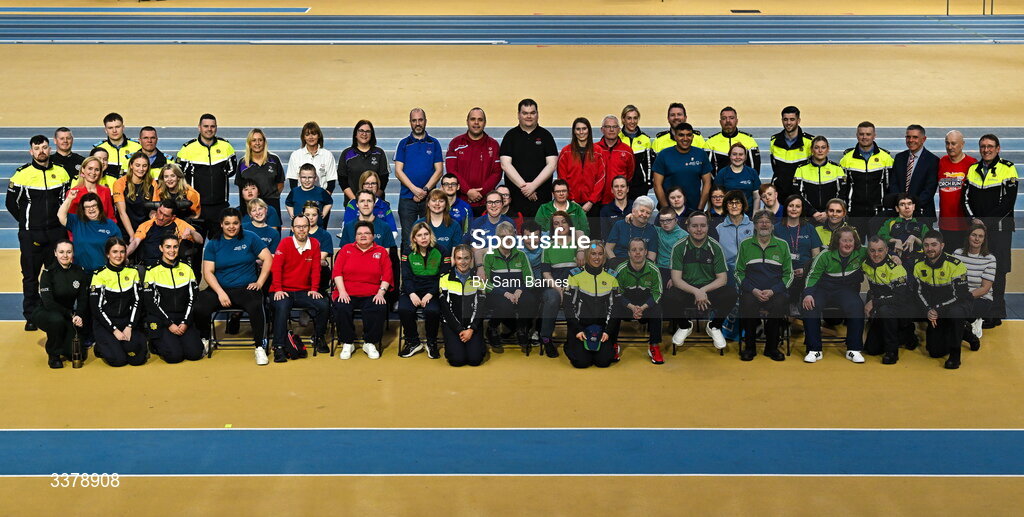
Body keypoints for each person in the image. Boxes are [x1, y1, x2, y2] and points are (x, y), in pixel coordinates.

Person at [193, 208, 273, 365]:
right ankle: (204, 339)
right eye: (227, 223)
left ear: (240, 224)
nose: (231, 227)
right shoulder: (214, 243)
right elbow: (208, 272)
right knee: (200, 306)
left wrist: (259, 283)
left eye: (235, 223)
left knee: (257, 305)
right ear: (221, 224)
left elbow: (268, 258)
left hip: (245, 288)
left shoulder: (250, 237)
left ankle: (259, 346)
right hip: (220, 288)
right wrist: (220, 293)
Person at [9, 135, 71, 330]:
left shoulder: (61, 173)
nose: (41, 151)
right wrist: (28, 224)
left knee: (57, 275)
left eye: (44, 147)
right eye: (37, 148)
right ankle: (32, 315)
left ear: (50, 149)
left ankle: (58, 312)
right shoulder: (21, 175)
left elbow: (65, 202)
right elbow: (11, 203)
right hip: (31, 235)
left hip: (55, 234)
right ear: (31, 151)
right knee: (30, 276)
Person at [962, 134, 1017, 329]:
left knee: (999, 270)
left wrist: (983, 223)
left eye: (990, 146)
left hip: (1000, 230)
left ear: (998, 148)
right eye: (983, 146)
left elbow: (1008, 204)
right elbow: (965, 199)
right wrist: (974, 221)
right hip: (978, 229)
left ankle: (996, 312)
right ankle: (980, 310)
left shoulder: (1008, 168)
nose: (986, 150)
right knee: (978, 267)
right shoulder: (972, 170)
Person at [666, 212, 736, 350]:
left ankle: (714, 326)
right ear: (688, 227)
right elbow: (676, 279)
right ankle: (685, 326)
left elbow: (722, 279)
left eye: (703, 226)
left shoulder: (715, 247)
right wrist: (695, 292)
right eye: (695, 226)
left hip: (709, 290)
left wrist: (703, 291)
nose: (699, 229)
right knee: (668, 297)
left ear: (708, 227)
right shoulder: (679, 247)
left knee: (731, 294)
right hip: (687, 289)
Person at [800, 227, 866, 364]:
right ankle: (814, 350)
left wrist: (893, 257)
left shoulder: (861, 252)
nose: (848, 244)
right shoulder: (824, 255)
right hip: (822, 289)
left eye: (851, 240)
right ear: (837, 242)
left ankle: (853, 349)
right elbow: (812, 276)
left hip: (844, 289)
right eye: (844, 241)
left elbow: (876, 251)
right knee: (810, 306)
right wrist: (808, 294)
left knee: (857, 305)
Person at [734, 210, 793, 361]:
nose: (764, 224)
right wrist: (753, 290)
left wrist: (773, 291)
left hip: (775, 292)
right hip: (752, 291)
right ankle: (750, 347)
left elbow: (789, 274)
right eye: (760, 221)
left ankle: (771, 348)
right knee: (747, 303)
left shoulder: (782, 245)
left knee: (780, 303)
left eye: (768, 221)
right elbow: (738, 273)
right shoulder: (745, 244)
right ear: (755, 225)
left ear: (773, 226)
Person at [270, 214, 329, 361]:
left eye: (304, 226)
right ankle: (278, 346)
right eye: (298, 226)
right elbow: (276, 268)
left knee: (324, 305)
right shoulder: (285, 243)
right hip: (283, 290)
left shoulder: (315, 244)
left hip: (304, 291)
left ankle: (318, 337)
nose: (301, 230)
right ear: (292, 228)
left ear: (309, 228)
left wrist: (314, 289)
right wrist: (278, 289)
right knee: (282, 308)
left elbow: (316, 269)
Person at [332, 220, 394, 360]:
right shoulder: (345, 250)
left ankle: (370, 342)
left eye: (367, 233)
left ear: (373, 236)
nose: (363, 236)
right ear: (355, 236)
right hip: (346, 291)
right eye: (359, 233)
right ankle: (348, 342)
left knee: (378, 305)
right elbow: (337, 273)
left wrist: (380, 292)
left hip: (372, 292)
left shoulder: (381, 252)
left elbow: (387, 275)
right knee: (342, 306)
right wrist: (342, 291)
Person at [914, 231, 971, 369]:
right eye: (926, 245)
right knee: (935, 352)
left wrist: (937, 309)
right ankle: (963, 333)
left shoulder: (956, 265)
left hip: (957, 303)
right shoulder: (919, 265)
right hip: (934, 307)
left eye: (934, 245)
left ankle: (955, 355)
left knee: (955, 315)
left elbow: (960, 295)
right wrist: (929, 310)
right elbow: (918, 292)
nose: (930, 249)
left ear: (942, 245)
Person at [143, 235, 203, 364]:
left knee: (195, 354)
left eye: (175, 247)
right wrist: (169, 324)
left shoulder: (187, 268)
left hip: (183, 318)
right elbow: (150, 302)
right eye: (168, 247)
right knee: (174, 357)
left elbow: (193, 297)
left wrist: (186, 322)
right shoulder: (152, 270)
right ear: (161, 248)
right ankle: (155, 342)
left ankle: (178, 340)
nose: (172, 250)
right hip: (163, 319)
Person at [89, 237, 147, 367]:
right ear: (107, 254)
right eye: (114, 252)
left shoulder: (133, 273)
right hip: (105, 324)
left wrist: (129, 327)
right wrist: (114, 330)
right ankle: (100, 346)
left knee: (137, 360)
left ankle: (119, 344)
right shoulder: (99, 274)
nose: (119, 255)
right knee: (119, 360)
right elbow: (97, 308)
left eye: (122, 252)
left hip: (127, 322)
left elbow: (138, 301)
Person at [33, 240, 90, 368]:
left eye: (68, 252)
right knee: (56, 320)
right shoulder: (48, 273)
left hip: (68, 314)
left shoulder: (79, 272)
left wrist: (79, 315)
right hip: (46, 313)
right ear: (55, 253)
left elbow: (83, 298)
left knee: (76, 354)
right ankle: (53, 355)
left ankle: (62, 342)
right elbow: (49, 303)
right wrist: (71, 314)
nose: (65, 255)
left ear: (73, 253)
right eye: (61, 252)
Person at [177, 113, 236, 234]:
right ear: (199, 127)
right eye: (206, 126)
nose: (209, 129)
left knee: (220, 246)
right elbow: (179, 176)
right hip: (196, 207)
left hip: (220, 206)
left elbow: (231, 170)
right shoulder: (187, 149)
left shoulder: (226, 146)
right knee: (195, 248)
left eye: (212, 126)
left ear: (216, 127)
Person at [536, 211, 585, 358]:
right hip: (554, 286)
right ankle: (546, 338)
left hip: (575, 285)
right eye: (556, 223)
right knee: (552, 299)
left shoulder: (578, 245)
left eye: (563, 222)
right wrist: (559, 289)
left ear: (569, 224)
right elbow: (546, 274)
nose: (560, 225)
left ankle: (576, 337)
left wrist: (582, 250)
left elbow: (583, 272)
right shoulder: (548, 247)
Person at [482, 221, 536, 352]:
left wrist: (519, 290)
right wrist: (504, 293)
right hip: (497, 293)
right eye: (502, 237)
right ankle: (492, 329)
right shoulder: (489, 256)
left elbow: (530, 279)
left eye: (510, 236)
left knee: (530, 300)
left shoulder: (522, 255)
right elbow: (485, 283)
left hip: (517, 291)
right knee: (505, 305)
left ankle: (521, 329)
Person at [398, 222, 449, 359]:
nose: (423, 238)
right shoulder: (407, 252)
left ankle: (431, 343)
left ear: (430, 235)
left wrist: (431, 293)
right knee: (404, 309)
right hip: (412, 289)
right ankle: (413, 342)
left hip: (433, 290)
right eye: (419, 235)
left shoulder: (442, 250)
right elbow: (406, 277)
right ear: (414, 238)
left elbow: (443, 277)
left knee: (432, 310)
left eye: (426, 234)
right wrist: (412, 294)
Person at [499, 98, 558, 217]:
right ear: (518, 115)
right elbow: (505, 164)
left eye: (532, 113)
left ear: (537, 114)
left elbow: (552, 165)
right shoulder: (510, 136)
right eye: (525, 113)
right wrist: (526, 188)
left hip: (541, 197)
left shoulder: (546, 136)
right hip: (515, 197)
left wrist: (533, 186)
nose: (529, 116)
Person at [562, 244, 618, 368]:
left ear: (604, 256)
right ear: (587, 255)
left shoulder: (612, 276)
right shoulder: (574, 275)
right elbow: (568, 306)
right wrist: (577, 330)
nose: (597, 257)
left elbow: (614, 307)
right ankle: (570, 344)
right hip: (580, 327)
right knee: (581, 363)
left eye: (600, 253)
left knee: (603, 362)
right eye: (593, 253)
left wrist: (608, 332)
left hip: (602, 329)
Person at [610, 238, 664, 364]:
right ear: (628, 253)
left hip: (645, 307)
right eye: (634, 250)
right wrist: (632, 307)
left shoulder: (654, 269)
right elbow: (616, 293)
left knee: (657, 309)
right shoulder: (620, 269)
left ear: (646, 252)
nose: (637, 253)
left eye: (641, 249)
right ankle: (613, 344)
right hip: (627, 306)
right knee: (613, 308)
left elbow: (658, 292)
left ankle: (654, 346)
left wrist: (643, 307)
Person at [395, 108, 444, 245]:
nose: (418, 123)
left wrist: (425, 190)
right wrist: (415, 190)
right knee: (408, 238)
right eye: (414, 120)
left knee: (429, 237)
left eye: (420, 120)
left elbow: (439, 170)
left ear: (425, 121)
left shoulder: (434, 143)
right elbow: (398, 171)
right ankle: (406, 266)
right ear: (410, 122)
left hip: (429, 199)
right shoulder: (403, 144)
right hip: (407, 199)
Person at [839, 121, 894, 237]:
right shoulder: (846, 159)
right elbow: (843, 189)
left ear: (874, 135)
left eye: (868, 134)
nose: (864, 137)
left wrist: (887, 210)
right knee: (854, 249)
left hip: (878, 212)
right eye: (861, 134)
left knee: (877, 248)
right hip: (854, 213)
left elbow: (890, 187)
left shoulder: (886, 158)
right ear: (857, 135)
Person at [862, 235, 910, 365]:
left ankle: (892, 352)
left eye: (880, 250)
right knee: (871, 350)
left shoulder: (896, 268)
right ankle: (901, 336)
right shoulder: (865, 263)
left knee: (885, 311)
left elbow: (901, 298)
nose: (876, 254)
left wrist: (874, 302)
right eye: (872, 250)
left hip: (899, 307)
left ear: (887, 250)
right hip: (881, 307)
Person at [445, 107, 501, 216]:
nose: (476, 123)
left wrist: (481, 192)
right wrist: (468, 191)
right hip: (460, 202)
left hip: (486, 204)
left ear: (485, 122)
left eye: (480, 119)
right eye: (473, 119)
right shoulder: (456, 143)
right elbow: (451, 171)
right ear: (467, 121)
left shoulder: (493, 144)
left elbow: (497, 173)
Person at [439, 244, 487, 367]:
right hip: (452, 325)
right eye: (459, 258)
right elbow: (446, 310)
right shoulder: (445, 279)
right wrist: (459, 329)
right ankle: (453, 347)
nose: (463, 262)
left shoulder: (478, 279)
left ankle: (477, 344)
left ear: (471, 260)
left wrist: (471, 329)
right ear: (454, 260)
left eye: (466, 258)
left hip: (472, 326)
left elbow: (480, 308)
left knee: (475, 360)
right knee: (457, 361)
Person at [952, 223, 995, 351]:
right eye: (974, 235)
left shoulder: (990, 259)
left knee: (954, 315)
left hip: (980, 299)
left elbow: (985, 288)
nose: (977, 239)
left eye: (980, 236)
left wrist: (964, 297)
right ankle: (970, 336)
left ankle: (974, 322)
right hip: (959, 296)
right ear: (968, 237)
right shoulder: (957, 254)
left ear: (984, 239)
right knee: (951, 317)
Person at [652, 123, 713, 213]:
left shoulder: (701, 154)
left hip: (694, 209)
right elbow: (657, 185)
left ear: (692, 137)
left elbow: (707, 183)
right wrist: (666, 209)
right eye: (681, 135)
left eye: (688, 135)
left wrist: (700, 209)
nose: (685, 139)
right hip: (670, 210)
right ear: (675, 137)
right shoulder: (664, 155)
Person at [556, 117, 606, 224]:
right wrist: (572, 200)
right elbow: (562, 179)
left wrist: (591, 202)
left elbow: (601, 179)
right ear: (574, 131)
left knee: (593, 238)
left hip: (593, 205)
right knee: (572, 237)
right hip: (571, 204)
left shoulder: (598, 151)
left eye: (584, 128)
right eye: (578, 129)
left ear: (589, 130)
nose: (581, 132)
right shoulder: (566, 152)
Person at [775, 195, 823, 305]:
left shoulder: (809, 228)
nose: (794, 209)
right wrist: (788, 270)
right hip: (783, 271)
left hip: (805, 271)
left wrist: (805, 270)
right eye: (791, 206)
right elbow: (773, 254)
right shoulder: (776, 228)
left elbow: (816, 256)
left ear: (802, 209)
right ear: (786, 208)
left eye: (797, 206)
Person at [127, 200, 204, 266]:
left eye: (166, 216)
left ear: (173, 217)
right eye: (160, 212)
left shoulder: (180, 224)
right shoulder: (147, 225)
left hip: (169, 264)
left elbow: (200, 240)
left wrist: (191, 232)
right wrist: (125, 255)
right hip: (148, 264)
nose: (161, 217)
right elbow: (135, 242)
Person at [58, 191, 120, 272]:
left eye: (94, 205)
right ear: (83, 209)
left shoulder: (110, 224)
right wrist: (69, 198)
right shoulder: (76, 221)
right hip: (80, 272)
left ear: (99, 206)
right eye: (87, 207)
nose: (91, 209)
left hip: (104, 273)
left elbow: (119, 247)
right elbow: (61, 215)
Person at [889, 125, 939, 222]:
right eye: (908, 137)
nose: (911, 140)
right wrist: (901, 205)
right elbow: (893, 183)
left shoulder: (933, 160)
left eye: (915, 137)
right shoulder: (899, 157)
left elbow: (929, 189)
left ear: (923, 139)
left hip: (922, 214)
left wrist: (910, 207)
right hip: (899, 214)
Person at [937, 130, 977, 245]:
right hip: (945, 225)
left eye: (953, 143)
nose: (950, 147)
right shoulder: (941, 162)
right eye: (947, 143)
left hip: (966, 224)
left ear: (962, 144)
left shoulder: (972, 164)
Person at [794, 136, 846, 223]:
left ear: (828, 149)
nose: (820, 151)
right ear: (811, 149)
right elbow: (798, 194)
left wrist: (828, 212)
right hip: (809, 217)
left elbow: (842, 193)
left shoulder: (837, 168)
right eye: (816, 147)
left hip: (832, 217)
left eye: (823, 147)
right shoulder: (801, 169)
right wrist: (813, 212)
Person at [237, 128, 285, 216]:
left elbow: (280, 184)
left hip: (271, 205)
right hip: (250, 207)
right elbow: (241, 188)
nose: (257, 143)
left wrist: (270, 197)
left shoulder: (274, 160)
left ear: (264, 142)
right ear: (249, 143)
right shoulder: (243, 163)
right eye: (254, 140)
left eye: (260, 140)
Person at [338, 120, 390, 201]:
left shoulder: (379, 153)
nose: (364, 134)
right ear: (356, 134)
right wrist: (356, 201)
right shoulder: (347, 153)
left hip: (375, 203)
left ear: (372, 134)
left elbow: (384, 179)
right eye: (361, 131)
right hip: (353, 202)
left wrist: (373, 200)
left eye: (368, 131)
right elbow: (342, 180)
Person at [768, 106, 813, 199]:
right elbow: (775, 168)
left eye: (792, 119)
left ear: (798, 120)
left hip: (801, 193)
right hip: (780, 193)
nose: (788, 123)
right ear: (782, 120)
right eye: (785, 119)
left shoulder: (809, 142)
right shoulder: (774, 141)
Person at [877, 193, 930, 267]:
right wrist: (894, 240)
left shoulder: (921, 225)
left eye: (909, 204)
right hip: (893, 261)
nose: (907, 207)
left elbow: (929, 243)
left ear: (913, 207)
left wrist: (915, 238)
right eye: (902, 204)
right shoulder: (890, 222)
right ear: (897, 208)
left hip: (917, 262)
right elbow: (879, 238)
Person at [596, 114, 636, 211]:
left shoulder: (627, 150)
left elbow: (630, 175)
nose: (611, 130)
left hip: (619, 202)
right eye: (608, 127)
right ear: (602, 129)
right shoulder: (594, 149)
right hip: (597, 201)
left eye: (614, 127)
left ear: (619, 130)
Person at [465, 190, 515, 267]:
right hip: (483, 263)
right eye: (490, 202)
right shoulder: (477, 223)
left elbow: (512, 248)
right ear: (486, 205)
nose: (493, 205)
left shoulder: (509, 222)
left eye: (497, 202)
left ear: (502, 204)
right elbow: (475, 250)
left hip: (505, 264)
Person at [113, 152, 158, 237]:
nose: (141, 169)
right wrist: (132, 236)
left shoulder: (152, 183)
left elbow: (153, 209)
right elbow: (122, 213)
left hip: (145, 230)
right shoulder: (120, 183)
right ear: (131, 165)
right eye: (137, 165)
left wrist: (153, 214)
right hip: (125, 230)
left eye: (144, 166)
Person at [285, 121, 337, 194]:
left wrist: (323, 198)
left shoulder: (327, 155)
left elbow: (331, 182)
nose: (311, 137)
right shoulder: (296, 155)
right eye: (307, 134)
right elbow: (293, 182)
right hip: (301, 198)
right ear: (303, 137)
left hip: (321, 199)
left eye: (314, 134)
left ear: (318, 136)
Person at [618, 104, 655, 202]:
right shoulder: (617, 138)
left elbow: (649, 163)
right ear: (623, 119)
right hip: (619, 185)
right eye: (629, 118)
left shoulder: (645, 139)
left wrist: (647, 182)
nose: (632, 121)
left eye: (635, 118)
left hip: (639, 185)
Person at [706, 106, 760, 173]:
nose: (728, 121)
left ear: (736, 121)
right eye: (724, 118)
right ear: (720, 122)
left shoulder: (749, 141)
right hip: (719, 183)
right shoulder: (710, 142)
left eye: (731, 118)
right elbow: (707, 171)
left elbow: (755, 169)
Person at [605, 196, 658, 265]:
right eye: (642, 211)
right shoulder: (619, 225)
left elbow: (651, 256)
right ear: (633, 211)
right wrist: (616, 264)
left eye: (648, 213)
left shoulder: (652, 230)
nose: (644, 215)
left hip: (640, 267)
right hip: (618, 264)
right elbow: (608, 249)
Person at [342, 170, 398, 235]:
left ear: (378, 185)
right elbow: (346, 229)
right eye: (366, 183)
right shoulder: (352, 204)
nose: (370, 186)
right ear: (362, 185)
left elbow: (393, 231)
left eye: (373, 183)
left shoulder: (384, 206)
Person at [716, 190, 754, 276]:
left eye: (737, 203)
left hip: (750, 270)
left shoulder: (754, 227)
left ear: (743, 205)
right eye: (730, 203)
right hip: (727, 271)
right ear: (726, 206)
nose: (734, 206)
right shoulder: (719, 229)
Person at [714, 143, 761, 212]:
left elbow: (756, 197)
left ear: (745, 156)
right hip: (728, 214)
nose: (737, 157)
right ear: (729, 156)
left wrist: (755, 215)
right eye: (734, 154)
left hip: (748, 214)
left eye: (741, 154)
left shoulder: (752, 172)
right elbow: (717, 196)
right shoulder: (722, 173)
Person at [413, 189, 463, 254]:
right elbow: (413, 250)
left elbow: (455, 255)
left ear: (446, 204)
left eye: (441, 201)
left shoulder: (454, 225)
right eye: (433, 200)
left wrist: (446, 264)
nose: (437, 204)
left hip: (447, 263)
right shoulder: (418, 224)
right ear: (428, 203)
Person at [66, 155, 115, 220]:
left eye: (97, 170)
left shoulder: (106, 190)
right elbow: (71, 220)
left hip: (104, 229)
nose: (93, 172)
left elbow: (110, 217)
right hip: (82, 229)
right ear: (83, 169)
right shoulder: (73, 192)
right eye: (90, 169)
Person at [94, 112, 142, 179]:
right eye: (110, 128)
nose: (114, 131)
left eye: (117, 127)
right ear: (105, 130)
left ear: (123, 127)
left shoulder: (137, 147)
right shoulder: (99, 148)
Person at [654, 208, 688, 282]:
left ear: (675, 220)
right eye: (662, 221)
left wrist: (677, 277)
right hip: (659, 268)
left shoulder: (684, 236)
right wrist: (632, 217)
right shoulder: (658, 231)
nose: (665, 223)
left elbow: (687, 260)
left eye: (668, 220)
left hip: (675, 269)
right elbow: (642, 224)